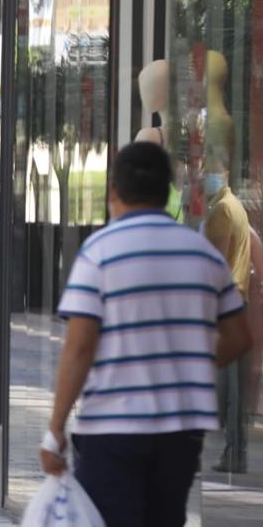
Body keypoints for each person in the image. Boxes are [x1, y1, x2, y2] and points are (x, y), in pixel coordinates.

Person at [41, 142, 252, 527]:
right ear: (167, 191)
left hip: (112, 426)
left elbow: (79, 347)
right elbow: (239, 338)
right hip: (181, 428)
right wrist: (191, 365)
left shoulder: (99, 251)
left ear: (113, 192)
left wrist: (55, 429)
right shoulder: (202, 254)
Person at [202, 168, 253, 473]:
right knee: (233, 386)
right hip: (239, 299)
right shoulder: (236, 205)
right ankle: (236, 451)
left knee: (229, 386)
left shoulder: (222, 209)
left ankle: (234, 452)